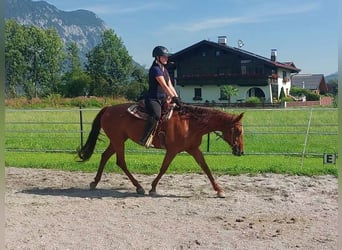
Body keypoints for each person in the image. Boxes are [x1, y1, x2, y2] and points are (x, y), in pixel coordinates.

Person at [139, 45, 182, 146]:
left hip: (163, 99)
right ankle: (144, 138)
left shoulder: (165, 70)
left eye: (166, 57)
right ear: (157, 57)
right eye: (164, 57)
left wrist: (177, 98)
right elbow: (164, 86)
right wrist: (174, 98)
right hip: (153, 99)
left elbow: (170, 86)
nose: (166, 58)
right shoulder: (155, 69)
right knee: (156, 115)